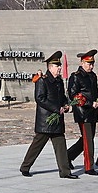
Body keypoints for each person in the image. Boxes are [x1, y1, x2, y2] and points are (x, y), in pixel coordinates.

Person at [19, 51, 78, 179]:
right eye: (57, 66)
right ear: (50, 67)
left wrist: (66, 105)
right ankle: (25, 167)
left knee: (61, 145)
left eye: (60, 66)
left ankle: (65, 172)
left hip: (57, 120)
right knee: (37, 145)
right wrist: (57, 108)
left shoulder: (59, 81)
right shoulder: (42, 81)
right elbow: (40, 98)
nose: (60, 68)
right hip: (46, 120)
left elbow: (62, 96)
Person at [67, 49, 98, 176]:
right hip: (83, 112)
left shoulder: (92, 76)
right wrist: (88, 103)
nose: (91, 66)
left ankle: (67, 156)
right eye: (88, 64)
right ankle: (89, 167)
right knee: (88, 140)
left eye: (92, 64)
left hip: (93, 111)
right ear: (82, 63)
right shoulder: (76, 76)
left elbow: (95, 92)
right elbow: (73, 95)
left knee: (88, 138)